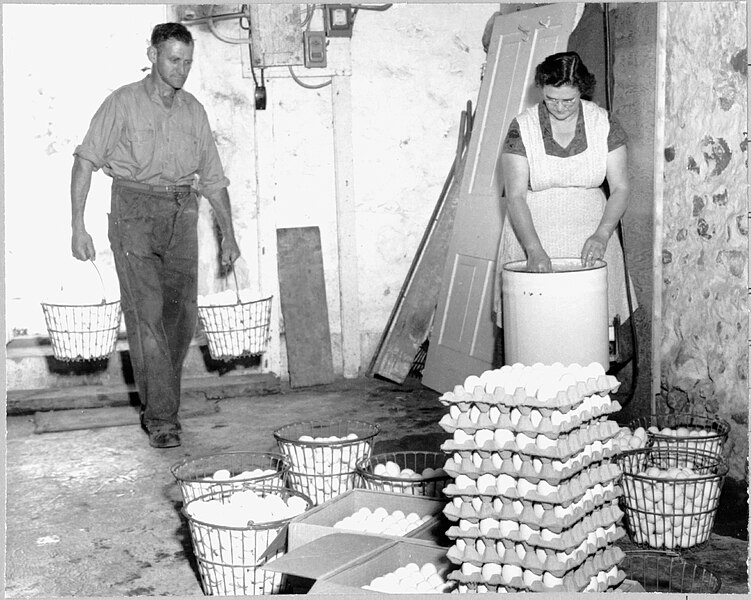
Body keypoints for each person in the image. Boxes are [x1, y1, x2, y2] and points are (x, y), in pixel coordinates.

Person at [70, 23, 241, 448]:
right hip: (133, 212)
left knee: (180, 322)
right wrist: (77, 224)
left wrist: (229, 236)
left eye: (187, 62)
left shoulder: (194, 111)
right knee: (146, 318)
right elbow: (85, 161)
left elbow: (215, 180)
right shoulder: (122, 103)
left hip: (182, 212)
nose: (181, 69)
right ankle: (162, 417)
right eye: (173, 60)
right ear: (152, 54)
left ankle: (161, 404)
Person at [494, 51, 636, 342]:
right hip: (531, 235)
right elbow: (516, 196)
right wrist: (533, 249)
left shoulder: (604, 123)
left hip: (593, 235)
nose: (558, 107)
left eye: (568, 100)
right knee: (533, 336)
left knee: (590, 333)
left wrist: (602, 234)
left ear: (581, 91)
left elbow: (620, 188)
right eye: (551, 99)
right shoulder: (522, 127)